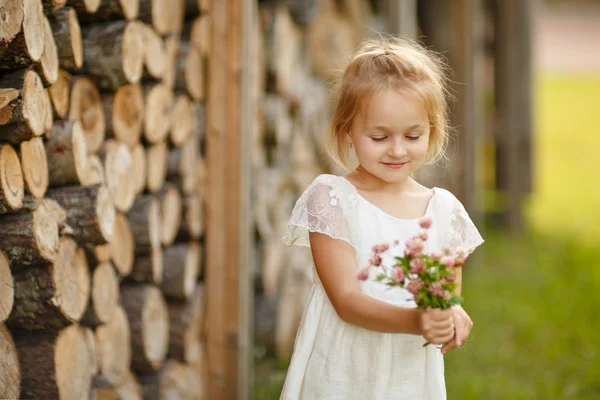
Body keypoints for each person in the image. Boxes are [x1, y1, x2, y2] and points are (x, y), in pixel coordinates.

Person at [280, 36, 484, 399]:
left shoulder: (444, 211)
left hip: (408, 375)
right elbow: (346, 299)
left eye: (412, 135)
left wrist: (449, 317)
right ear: (349, 132)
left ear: (432, 131)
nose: (397, 149)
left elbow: (444, 295)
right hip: (343, 370)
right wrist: (416, 321)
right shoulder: (332, 199)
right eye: (379, 136)